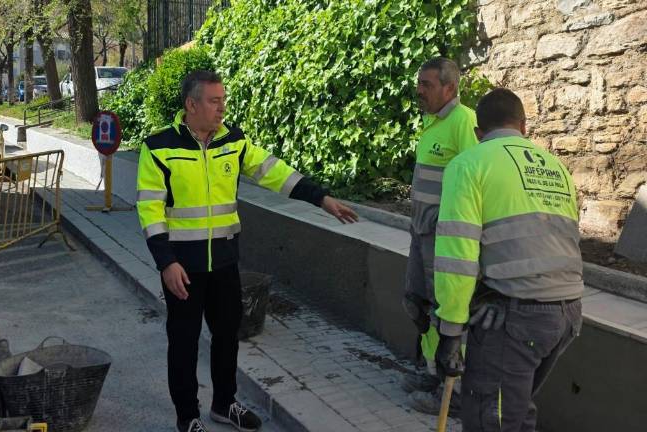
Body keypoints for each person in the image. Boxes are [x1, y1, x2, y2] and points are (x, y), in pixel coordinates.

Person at [136, 70, 358, 432]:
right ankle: (187, 416)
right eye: (214, 100)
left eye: (223, 99)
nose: (222, 107)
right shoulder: (160, 147)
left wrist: (321, 199)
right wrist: (167, 262)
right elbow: (150, 207)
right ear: (191, 105)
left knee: (227, 337)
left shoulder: (234, 142)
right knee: (184, 342)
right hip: (183, 268)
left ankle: (224, 404)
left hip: (224, 262)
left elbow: (275, 172)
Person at [433, 88, 583, 431]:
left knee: (492, 420)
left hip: (516, 317)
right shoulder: (556, 166)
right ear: (524, 127)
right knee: (513, 411)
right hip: (566, 313)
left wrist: (450, 331)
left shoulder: (469, 164)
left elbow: (458, 256)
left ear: (477, 133)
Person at [400, 57, 478, 413]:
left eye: (427, 84)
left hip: (443, 236)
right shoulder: (432, 122)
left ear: (450, 88)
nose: (419, 90)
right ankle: (432, 371)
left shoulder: (463, 122)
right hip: (422, 231)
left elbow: (473, 180)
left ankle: (453, 391)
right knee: (419, 303)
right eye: (419, 83)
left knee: (444, 307)